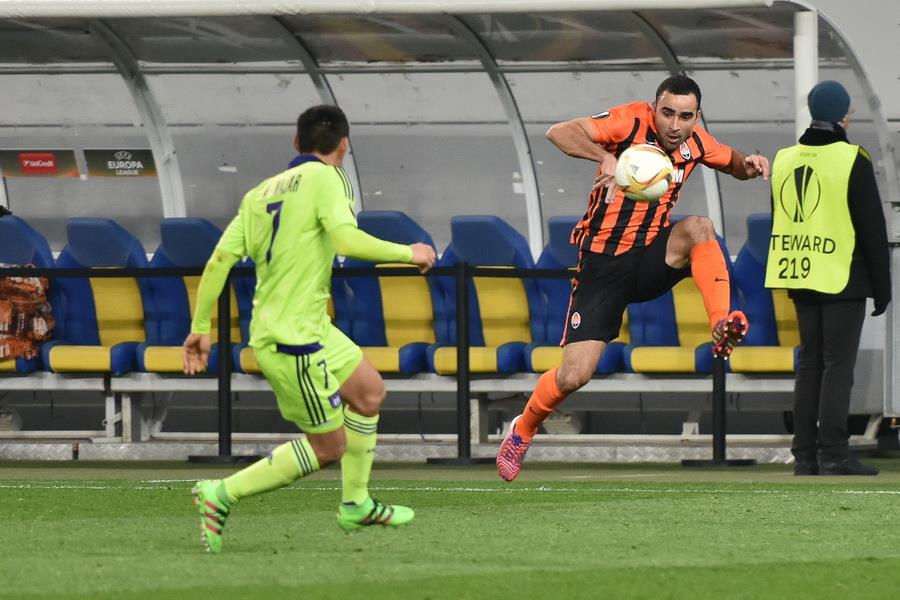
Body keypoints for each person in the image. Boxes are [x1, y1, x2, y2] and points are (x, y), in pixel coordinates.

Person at [182, 105, 436, 553]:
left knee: (369, 392)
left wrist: (201, 326)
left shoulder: (259, 193)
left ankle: (356, 504)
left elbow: (220, 260)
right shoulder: (330, 178)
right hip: (292, 339)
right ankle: (221, 493)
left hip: (308, 325)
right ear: (344, 145)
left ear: (296, 143)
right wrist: (409, 253)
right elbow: (346, 240)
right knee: (329, 447)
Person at [497, 75, 770, 481]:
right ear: (654, 107)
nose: (674, 125)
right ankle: (523, 428)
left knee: (699, 227)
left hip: (649, 259)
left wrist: (751, 164)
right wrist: (604, 157)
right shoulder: (628, 122)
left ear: (696, 117)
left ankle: (720, 325)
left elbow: (733, 163)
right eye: (667, 113)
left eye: (685, 117)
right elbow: (559, 132)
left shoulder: (695, 142)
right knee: (574, 375)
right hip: (602, 268)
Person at [765, 80, 890, 476]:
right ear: (844, 116)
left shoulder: (784, 158)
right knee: (838, 366)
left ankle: (804, 455)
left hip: (800, 274)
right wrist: (882, 288)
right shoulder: (852, 158)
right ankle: (834, 452)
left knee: (810, 364)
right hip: (842, 276)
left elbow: (781, 216)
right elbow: (872, 229)